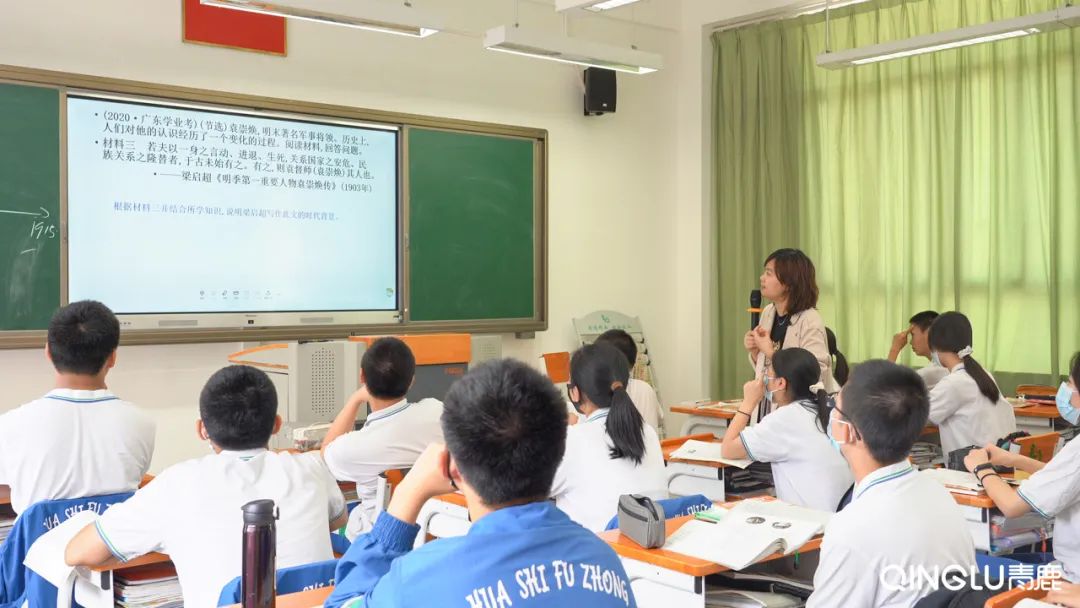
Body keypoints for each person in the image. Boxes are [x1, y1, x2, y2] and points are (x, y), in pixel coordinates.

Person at [324, 358, 637, 608]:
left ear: (453, 467)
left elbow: (341, 603)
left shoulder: (424, 579)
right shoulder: (605, 560)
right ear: (559, 450)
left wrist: (408, 493)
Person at [65, 365, 348, 608]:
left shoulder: (176, 484)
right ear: (276, 425)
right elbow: (337, 520)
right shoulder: (310, 467)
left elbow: (78, 553)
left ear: (202, 429)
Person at [808, 360, 975, 607]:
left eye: (835, 406)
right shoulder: (938, 493)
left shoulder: (852, 528)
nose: (830, 412)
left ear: (849, 431)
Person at [0, 300, 155, 514]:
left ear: (48, 352)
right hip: (109, 546)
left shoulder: (10, 425)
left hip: (37, 546)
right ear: (112, 357)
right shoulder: (142, 423)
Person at [962, 351, 1080, 582]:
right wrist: (1014, 460)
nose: (1066, 391)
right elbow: (1065, 477)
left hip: (1070, 580)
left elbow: (1012, 506)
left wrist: (981, 468)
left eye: (1070, 384)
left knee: (967, 571)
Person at [321, 337, 444, 539]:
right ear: (411, 379)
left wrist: (356, 399)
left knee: (329, 525)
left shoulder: (354, 448)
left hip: (375, 539)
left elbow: (325, 454)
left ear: (362, 377)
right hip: (430, 534)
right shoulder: (438, 412)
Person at [550, 343, 667, 531]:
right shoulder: (647, 432)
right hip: (647, 549)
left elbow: (526, 489)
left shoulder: (572, 440)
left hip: (597, 553)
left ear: (575, 392)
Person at [720, 348, 852, 511]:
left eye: (767, 374)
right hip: (839, 515)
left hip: (813, 523)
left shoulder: (785, 419)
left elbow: (728, 449)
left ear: (781, 383)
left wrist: (748, 402)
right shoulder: (827, 407)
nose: (763, 380)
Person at [744, 248, 839, 399]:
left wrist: (770, 352)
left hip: (797, 408)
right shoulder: (768, 312)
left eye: (769, 273)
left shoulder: (809, 319)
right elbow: (767, 369)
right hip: (768, 404)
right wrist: (756, 352)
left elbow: (814, 373)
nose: (762, 278)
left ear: (788, 283)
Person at [926, 312, 1016, 456]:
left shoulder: (953, 383)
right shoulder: (983, 374)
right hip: (994, 465)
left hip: (969, 471)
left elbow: (918, 416)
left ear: (935, 346)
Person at [594, 328, 664, 433]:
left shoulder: (600, 393)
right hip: (651, 448)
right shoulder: (645, 388)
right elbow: (660, 418)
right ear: (632, 363)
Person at [887, 310, 948, 390]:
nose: (911, 342)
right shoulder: (942, 366)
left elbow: (885, 388)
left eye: (913, 335)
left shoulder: (934, 371)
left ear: (929, 332)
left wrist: (895, 348)